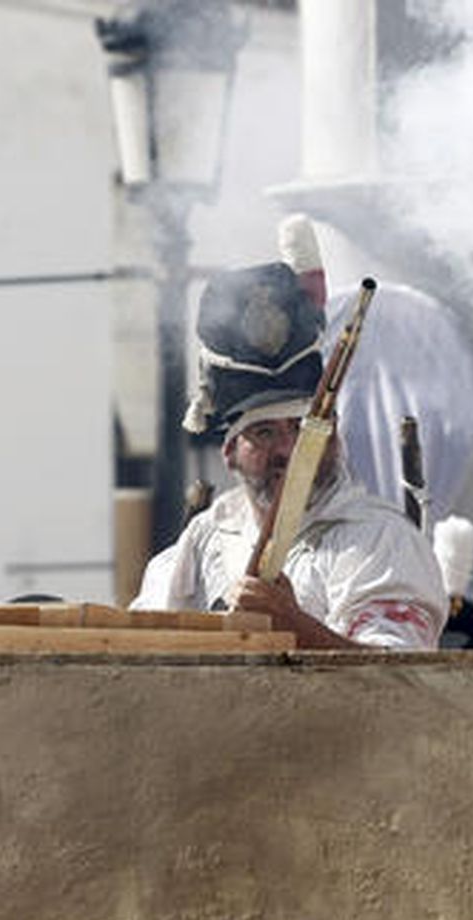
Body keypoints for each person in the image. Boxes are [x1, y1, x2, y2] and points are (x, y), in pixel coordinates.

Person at [131, 259, 447, 649]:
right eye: (264, 432)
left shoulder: (382, 540)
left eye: (302, 430)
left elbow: (404, 685)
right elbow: (142, 654)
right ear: (230, 453)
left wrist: (293, 626)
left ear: (334, 437)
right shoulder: (203, 540)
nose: (287, 449)